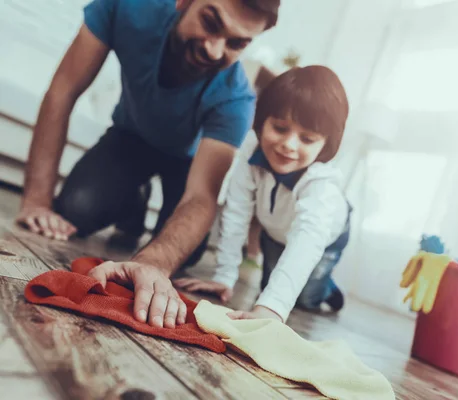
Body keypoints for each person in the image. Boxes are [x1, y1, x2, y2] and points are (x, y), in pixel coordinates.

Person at [16, 0, 280, 328]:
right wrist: (36, 200)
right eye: (211, 23)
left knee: (189, 251)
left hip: (187, 162)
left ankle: (140, 210)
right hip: (130, 138)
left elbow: (201, 195)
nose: (215, 51)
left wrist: (152, 262)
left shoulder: (236, 97)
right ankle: (134, 201)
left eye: (236, 43)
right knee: (75, 207)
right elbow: (63, 91)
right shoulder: (126, 7)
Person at [174, 65, 351, 322]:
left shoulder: (322, 184)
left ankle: (326, 288)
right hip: (276, 228)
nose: (288, 145)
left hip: (321, 238)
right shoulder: (250, 151)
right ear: (261, 120)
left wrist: (273, 309)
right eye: (280, 128)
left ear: (326, 144)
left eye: (307, 139)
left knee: (299, 298)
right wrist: (224, 276)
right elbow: (237, 211)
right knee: (269, 285)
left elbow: (307, 240)